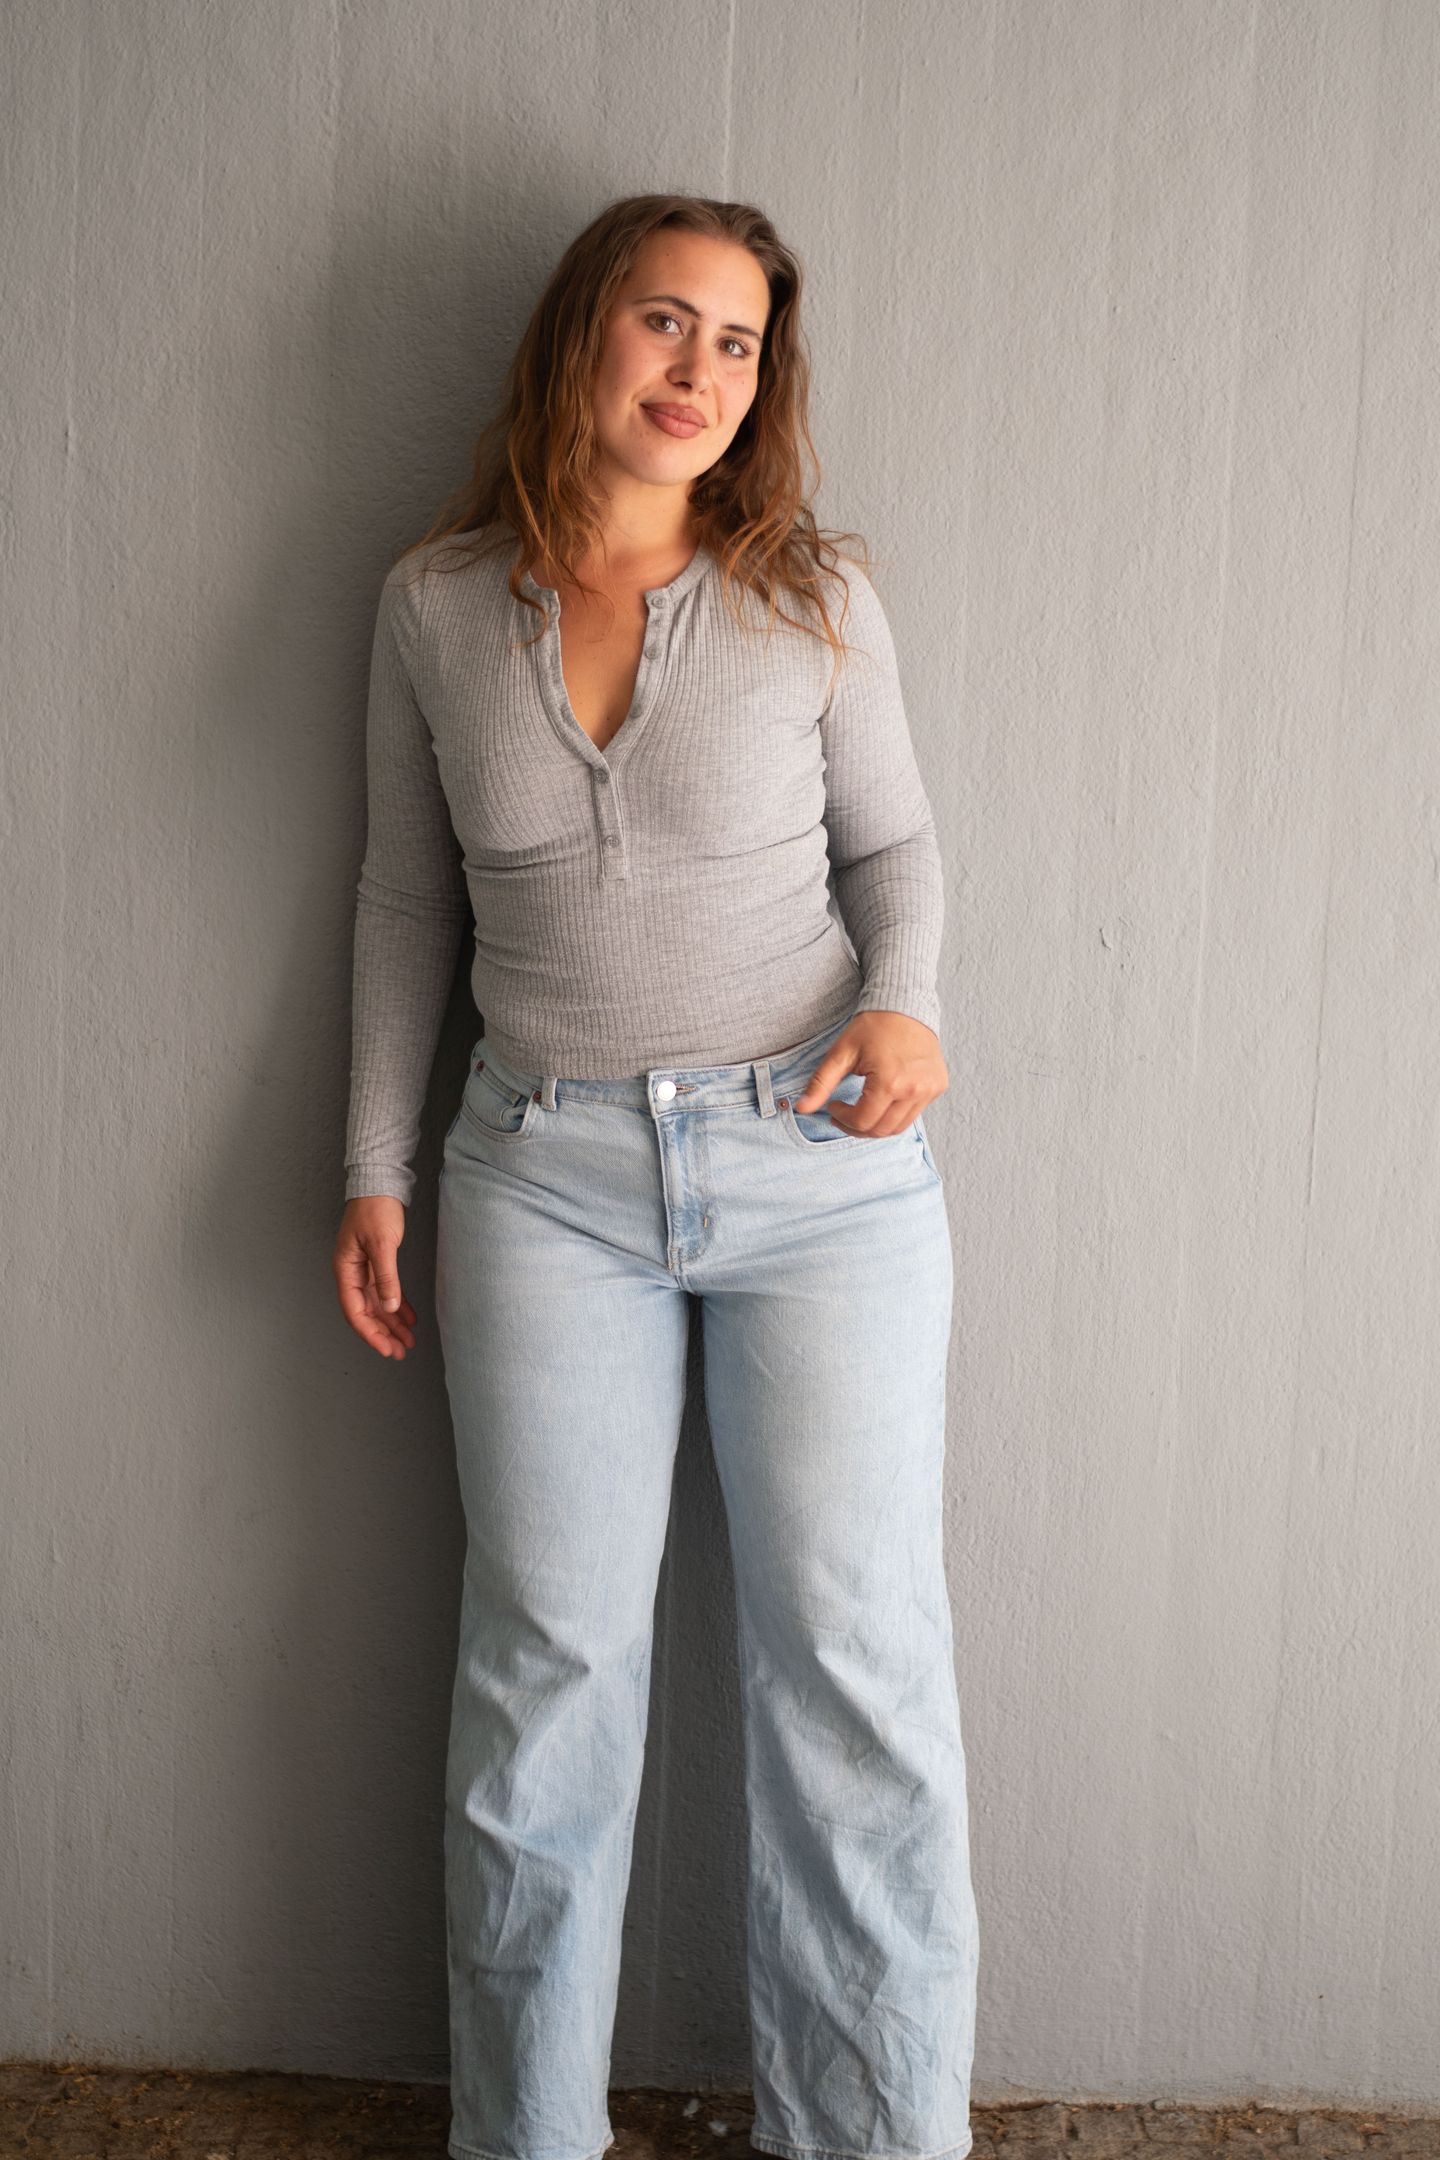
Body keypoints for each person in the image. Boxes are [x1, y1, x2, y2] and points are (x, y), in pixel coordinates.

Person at [332, 191, 979, 2160]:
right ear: (583, 333)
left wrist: (909, 1005)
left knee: (855, 1674)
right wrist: (374, 1164)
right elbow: (405, 899)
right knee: (544, 1678)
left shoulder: (813, 596)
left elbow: (896, 852)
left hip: (823, 1179)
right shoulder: (434, 604)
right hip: (542, 1183)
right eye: (665, 321)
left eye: (739, 342)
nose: (700, 371)